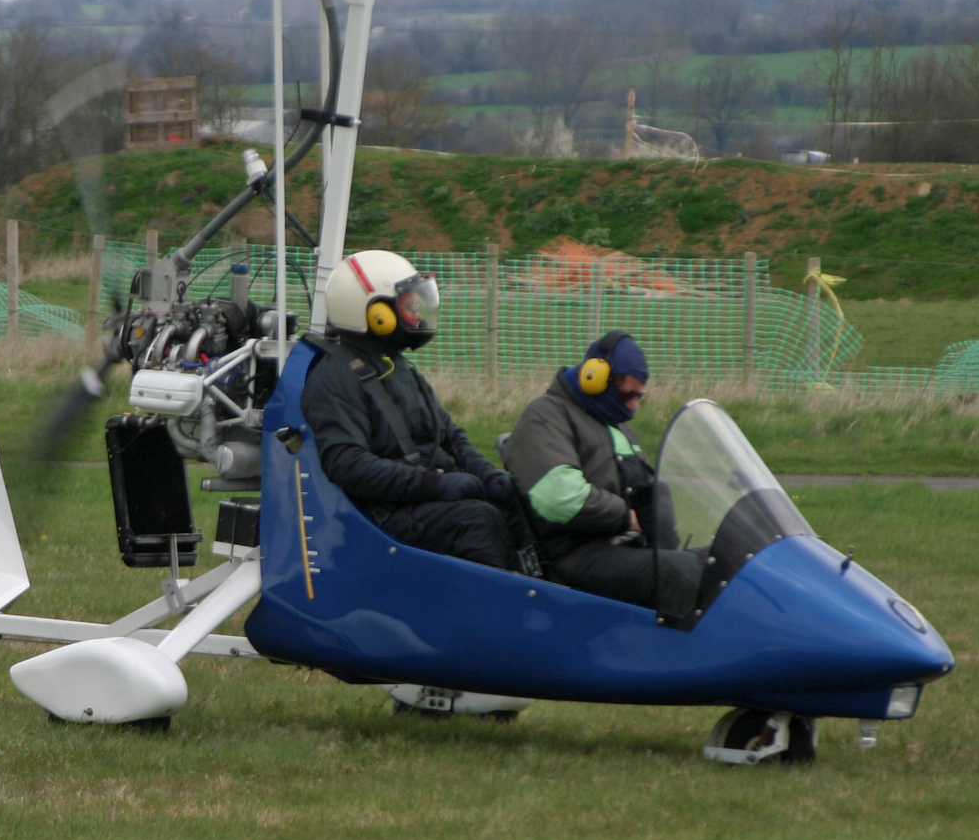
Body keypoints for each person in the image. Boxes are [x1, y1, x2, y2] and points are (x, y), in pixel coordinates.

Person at [300, 250, 518, 569]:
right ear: (375, 313)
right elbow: (346, 463)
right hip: (384, 514)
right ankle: (493, 613)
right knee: (477, 520)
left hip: (417, 499)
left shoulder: (397, 366)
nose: (417, 314)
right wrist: (436, 484)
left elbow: (450, 436)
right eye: (408, 306)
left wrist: (488, 475)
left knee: (515, 505)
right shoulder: (335, 377)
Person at [502, 331, 703, 616]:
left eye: (639, 397)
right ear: (594, 378)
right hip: (578, 553)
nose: (633, 406)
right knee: (680, 571)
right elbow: (559, 497)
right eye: (628, 395)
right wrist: (628, 519)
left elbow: (645, 491)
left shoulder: (615, 422)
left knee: (720, 562)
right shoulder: (545, 415)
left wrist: (665, 538)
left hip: (626, 548)